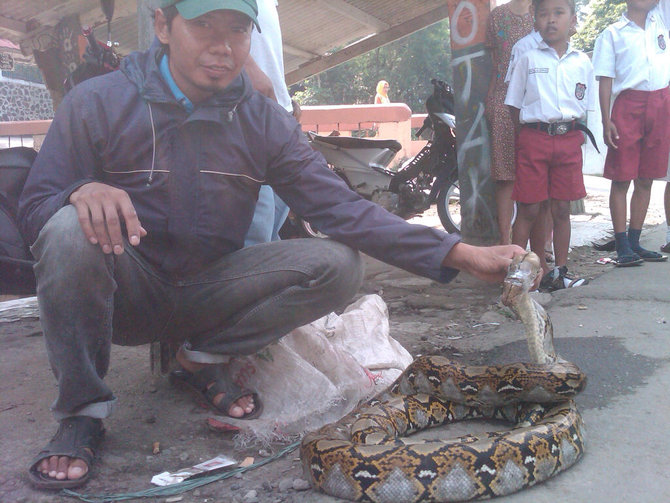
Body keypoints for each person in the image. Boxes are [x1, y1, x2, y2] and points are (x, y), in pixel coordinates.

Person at [18, 0, 526, 489]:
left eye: (237, 31)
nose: (222, 47)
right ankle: (82, 414)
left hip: (209, 291)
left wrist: (459, 253)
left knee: (336, 264)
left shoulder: (262, 120)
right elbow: (34, 206)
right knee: (67, 228)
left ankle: (200, 358)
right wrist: (79, 191)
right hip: (123, 297)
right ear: (164, 26)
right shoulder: (98, 102)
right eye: (205, 27)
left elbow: (343, 210)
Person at [505, 0, 593, 290]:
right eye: (543, 14)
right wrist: (532, 134)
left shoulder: (582, 62)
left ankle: (560, 272)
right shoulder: (527, 59)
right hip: (534, 138)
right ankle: (516, 274)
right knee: (528, 208)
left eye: (559, 13)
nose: (551, 20)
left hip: (568, 139)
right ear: (534, 19)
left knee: (562, 209)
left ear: (573, 19)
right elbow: (514, 107)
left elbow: (584, 106)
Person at [592, 0, 670, 266]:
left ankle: (636, 241)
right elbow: (605, 78)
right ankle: (622, 244)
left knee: (647, 177)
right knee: (622, 177)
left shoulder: (661, 21)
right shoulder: (612, 33)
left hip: (660, 103)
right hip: (628, 105)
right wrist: (606, 120)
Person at [485, 0, 533, 245]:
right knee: (505, 175)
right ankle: (505, 242)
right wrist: (491, 100)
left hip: (538, 99)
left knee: (538, 172)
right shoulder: (497, 16)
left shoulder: (547, 10)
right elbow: (496, 63)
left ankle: (542, 243)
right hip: (503, 99)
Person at [243, 0, 291, 246]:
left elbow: (267, 47)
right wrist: (246, 66)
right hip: (247, 113)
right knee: (254, 237)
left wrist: (285, 100)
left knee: (272, 229)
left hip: (277, 113)